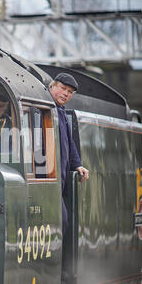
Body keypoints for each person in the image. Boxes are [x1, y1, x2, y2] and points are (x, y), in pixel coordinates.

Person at [49, 72, 89, 234]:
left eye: (70, 92)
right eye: (63, 88)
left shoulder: (61, 112)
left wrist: (77, 164)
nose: (66, 94)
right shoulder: (45, 109)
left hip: (60, 181)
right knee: (62, 221)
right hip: (48, 180)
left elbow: (68, 141)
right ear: (52, 86)